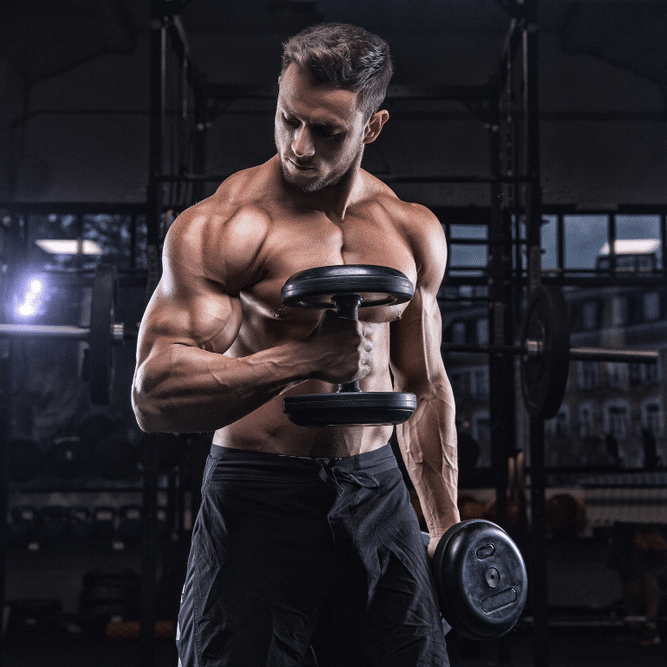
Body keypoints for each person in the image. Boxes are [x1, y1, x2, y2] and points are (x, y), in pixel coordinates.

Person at [132, 22, 459, 667]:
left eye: (328, 131)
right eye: (288, 119)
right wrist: (303, 358)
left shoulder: (410, 229)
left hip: (377, 491)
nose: (300, 147)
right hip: (258, 491)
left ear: (372, 126)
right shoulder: (227, 225)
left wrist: (445, 525)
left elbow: (425, 385)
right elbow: (154, 393)